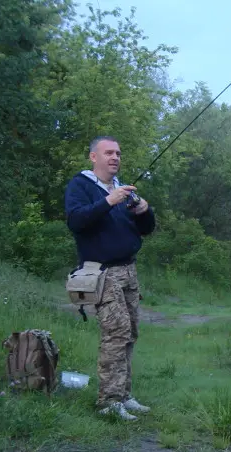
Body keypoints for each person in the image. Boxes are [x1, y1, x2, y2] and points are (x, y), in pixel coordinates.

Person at [64, 136, 156, 421]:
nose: (115, 157)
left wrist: (144, 211)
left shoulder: (122, 188)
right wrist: (107, 201)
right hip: (103, 272)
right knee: (115, 335)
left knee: (130, 334)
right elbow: (76, 221)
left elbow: (146, 229)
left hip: (129, 270)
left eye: (118, 153)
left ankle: (125, 396)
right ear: (94, 157)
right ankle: (108, 402)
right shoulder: (80, 186)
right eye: (108, 153)